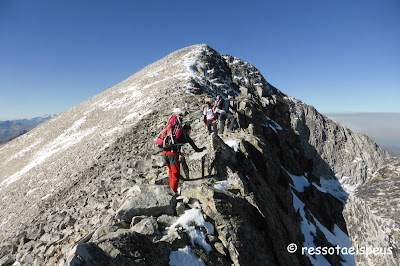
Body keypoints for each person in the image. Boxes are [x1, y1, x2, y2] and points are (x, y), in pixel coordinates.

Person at [162, 123, 206, 195]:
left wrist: (179, 153)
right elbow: (196, 149)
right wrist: (202, 149)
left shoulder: (174, 135)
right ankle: (174, 192)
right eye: (190, 131)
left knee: (170, 172)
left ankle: (170, 189)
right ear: (188, 130)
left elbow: (173, 145)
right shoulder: (186, 137)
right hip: (172, 155)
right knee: (176, 174)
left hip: (164, 153)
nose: (190, 132)